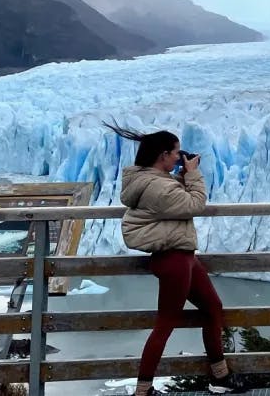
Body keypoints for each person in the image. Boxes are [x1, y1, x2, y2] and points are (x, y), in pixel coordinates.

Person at [106, 122, 247, 396]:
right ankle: (143, 390)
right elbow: (193, 205)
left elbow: (172, 199)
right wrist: (192, 176)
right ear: (162, 156)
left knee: (212, 308)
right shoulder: (156, 186)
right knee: (165, 325)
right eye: (175, 152)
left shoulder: (154, 181)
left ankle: (220, 375)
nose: (178, 156)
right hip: (174, 262)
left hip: (181, 259)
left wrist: (182, 176)